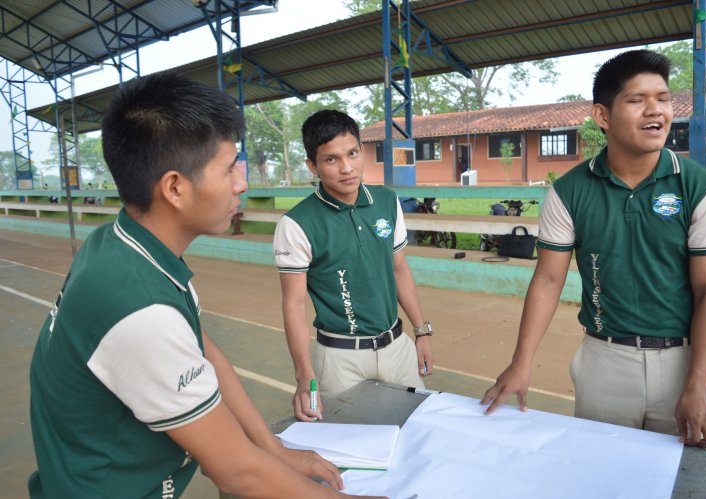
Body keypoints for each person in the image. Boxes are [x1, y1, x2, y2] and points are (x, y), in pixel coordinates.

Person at [28, 73, 383, 499]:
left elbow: (203, 350)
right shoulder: (139, 309)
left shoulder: (120, 244)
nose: (242, 183)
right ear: (175, 187)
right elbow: (237, 473)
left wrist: (273, 449)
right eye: (229, 168)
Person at [481, 50, 706, 449]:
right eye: (637, 100)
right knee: (602, 475)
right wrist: (521, 363)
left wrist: (697, 386)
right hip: (605, 360)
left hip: (685, 361)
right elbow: (548, 279)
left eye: (663, 98)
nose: (656, 111)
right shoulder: (568, 192)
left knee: (686, 481)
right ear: (603, 116)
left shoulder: (701, 189)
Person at [273, 110, 434, 421]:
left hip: (398, 347)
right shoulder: (297, 224)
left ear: (362, 151)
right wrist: (304, 374)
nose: (346, 168)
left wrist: (422, 332)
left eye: (352, 153)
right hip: (338, 360)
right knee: (347, 453)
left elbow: (399, 269)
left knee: (416, 430)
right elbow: (293, 303)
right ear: (313, 166)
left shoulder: (387, 201)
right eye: (331, 159)